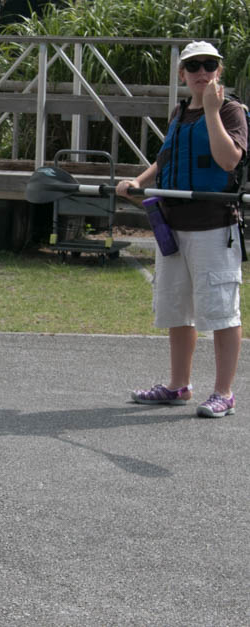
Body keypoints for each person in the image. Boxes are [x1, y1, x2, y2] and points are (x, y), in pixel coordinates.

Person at [118, 41, 248, 418]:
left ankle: (224, 393)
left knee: (222, 311)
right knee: (176, 309)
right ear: (183, 74)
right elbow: (166, 159)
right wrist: (136, 182)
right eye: (194, 67)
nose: (202, 73)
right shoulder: (178, 113)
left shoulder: (229, 110)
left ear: (219, 70)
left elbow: (227, 161)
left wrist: (210, 111)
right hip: (173, 226)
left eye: (209, 65)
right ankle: (179, 385)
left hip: (213, 226)